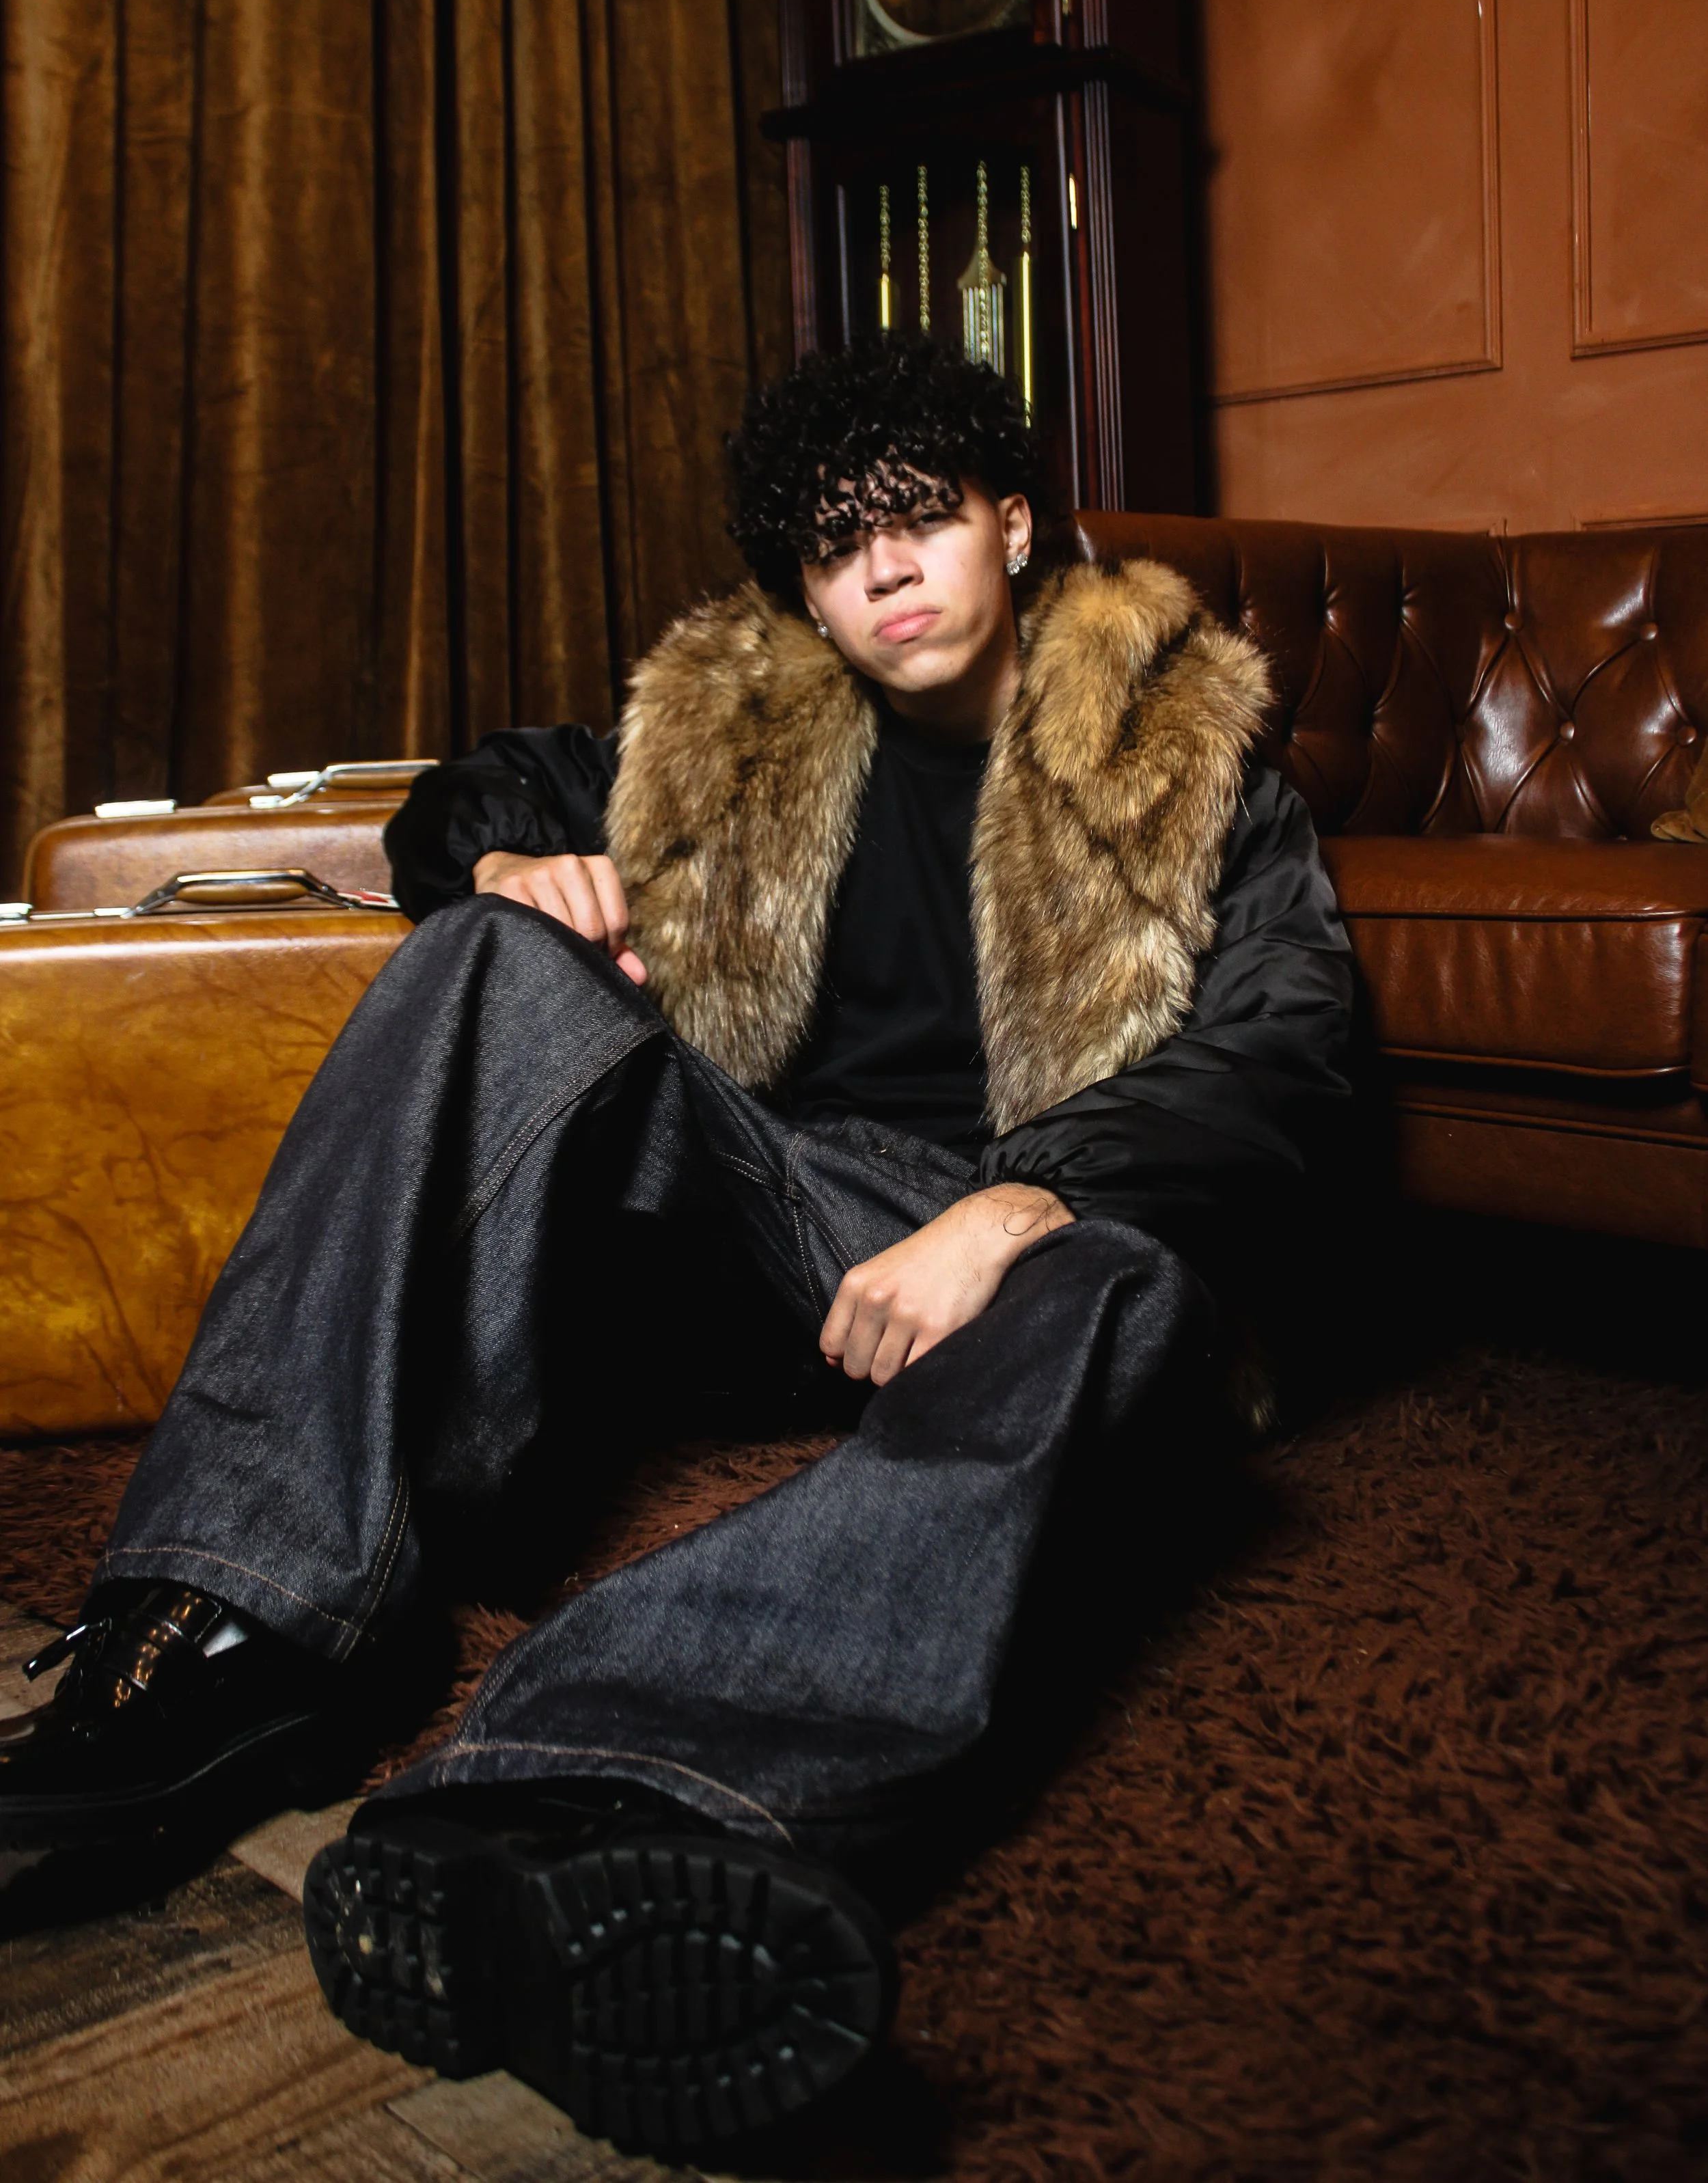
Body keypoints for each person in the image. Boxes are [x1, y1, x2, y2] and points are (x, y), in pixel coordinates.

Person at [0, 334, 1353, 2156]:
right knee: (482, 956)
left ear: (1015, 523)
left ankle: (585, 1790)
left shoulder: (1186, 756)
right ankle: (231, 1625)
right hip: (764, 1202)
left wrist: (1019, 1201)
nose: (883, 572)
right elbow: (482, 783)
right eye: (835, 546)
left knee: (1127, 1286)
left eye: (921, 520)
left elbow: (1284, 1042)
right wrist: (500, 865)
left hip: (1004, 1217)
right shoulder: (743, 726)